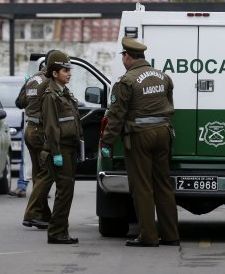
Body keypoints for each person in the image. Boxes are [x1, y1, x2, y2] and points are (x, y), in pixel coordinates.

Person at [100, 37, 180, 247]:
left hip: (139, 136)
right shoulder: (163, 77)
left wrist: (106, 143)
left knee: (142, 187)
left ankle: (148, 236)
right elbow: (169, 105)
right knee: (163, 185)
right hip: (163, 133)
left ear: (127, 56)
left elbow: (116, 116)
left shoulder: (126, 81)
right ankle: (171, 235)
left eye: (123, 56)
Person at [27, 50, 83, 243]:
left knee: (66, 192)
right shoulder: (51, 95)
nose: (69, 73)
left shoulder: (64, 92)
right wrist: (56, 153)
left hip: (69, 147)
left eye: (69, 69)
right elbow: (51, 128)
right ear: (54, 73)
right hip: (60, 149)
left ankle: (61, 231)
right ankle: (57, 232)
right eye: (64, 70)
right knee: (64, 191)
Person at [16, 50, 54, 228]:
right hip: (41, 131)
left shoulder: (33, 78)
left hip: (29, 129)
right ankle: (31, 213)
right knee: (47, 173)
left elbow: (19, 102)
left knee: (38, 174)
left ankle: (43, 214)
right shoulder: (49, 81)